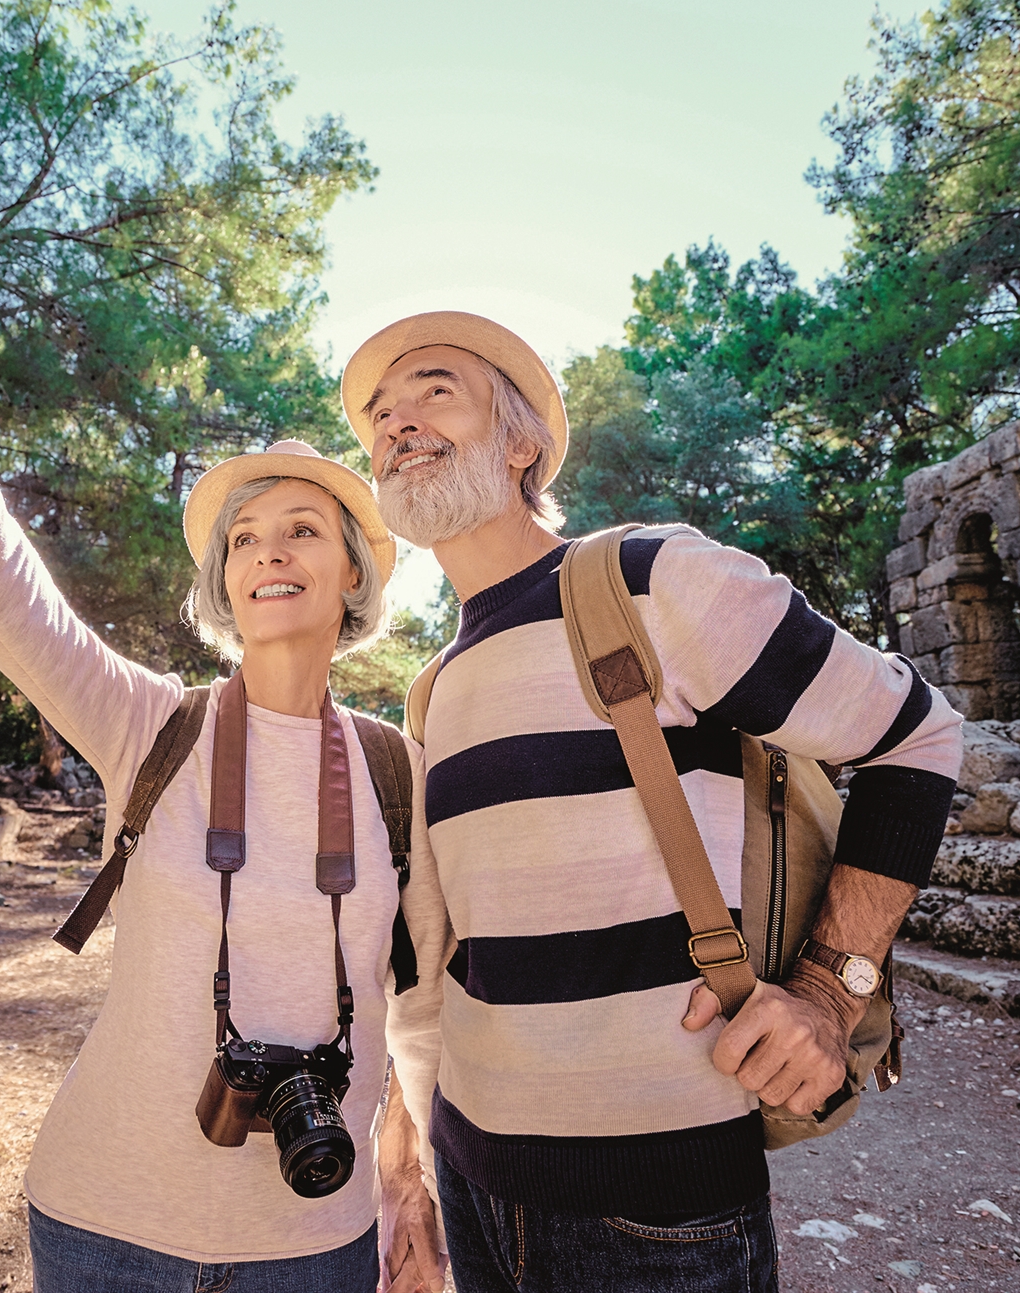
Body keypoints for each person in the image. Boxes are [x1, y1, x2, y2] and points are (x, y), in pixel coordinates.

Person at [0, 174, 449, 1293]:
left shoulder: (397, 769)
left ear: (353, 575)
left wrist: (409, 1192)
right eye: (244, 536)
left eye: (303, 528)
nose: (268, 550)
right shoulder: (148, 724)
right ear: (222, 579)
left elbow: (420, 1008)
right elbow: (5, 590)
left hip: (311, 1242)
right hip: (101, 1223)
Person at [353, 312, 964, 1293]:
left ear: (522, 443)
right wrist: (411, 1152)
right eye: (378, 415)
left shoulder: (650, 578)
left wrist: (826, 988)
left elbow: (917, 732)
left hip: (654, 1213)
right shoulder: (431, 687)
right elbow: (441, 962)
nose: (396, 423)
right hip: (469, 1178)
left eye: (432, 389)